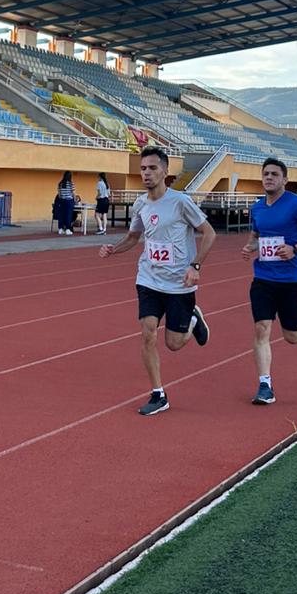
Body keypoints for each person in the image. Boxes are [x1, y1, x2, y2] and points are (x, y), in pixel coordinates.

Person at [99, 146, 215, 415]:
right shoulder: (140, 204)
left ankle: (193, 320)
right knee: (148, 332)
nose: (147, 173)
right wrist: (113, 249)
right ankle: (158, 394)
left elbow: (209, 233)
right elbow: (133, 237)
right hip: (149, 279)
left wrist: (195, 265)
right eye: (143, 168)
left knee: (174, 344)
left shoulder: (180, 202)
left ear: (164, 171)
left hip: (178, 283)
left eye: (152, 168)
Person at [240, 157, 297, 405]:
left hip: (291, 280)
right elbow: (256, 235)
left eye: (274, 174)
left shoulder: (296, 204)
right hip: (263, 279)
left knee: (291, 335)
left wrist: (296, 249)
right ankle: (265, 385)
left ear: (285, 180)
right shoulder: (258, 207)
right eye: (265, 174)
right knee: (261, 330)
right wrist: (250, 248)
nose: (269, 177)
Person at [54, 170, 77, 235]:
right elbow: (73, 194)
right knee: (68, 215)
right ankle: (68, 229)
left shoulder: (60, 183)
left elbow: (59, 194)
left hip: (62, 201)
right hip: (69, 201)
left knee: (62, 215)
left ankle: (60, 229)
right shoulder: (70, 183)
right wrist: (75, 200)